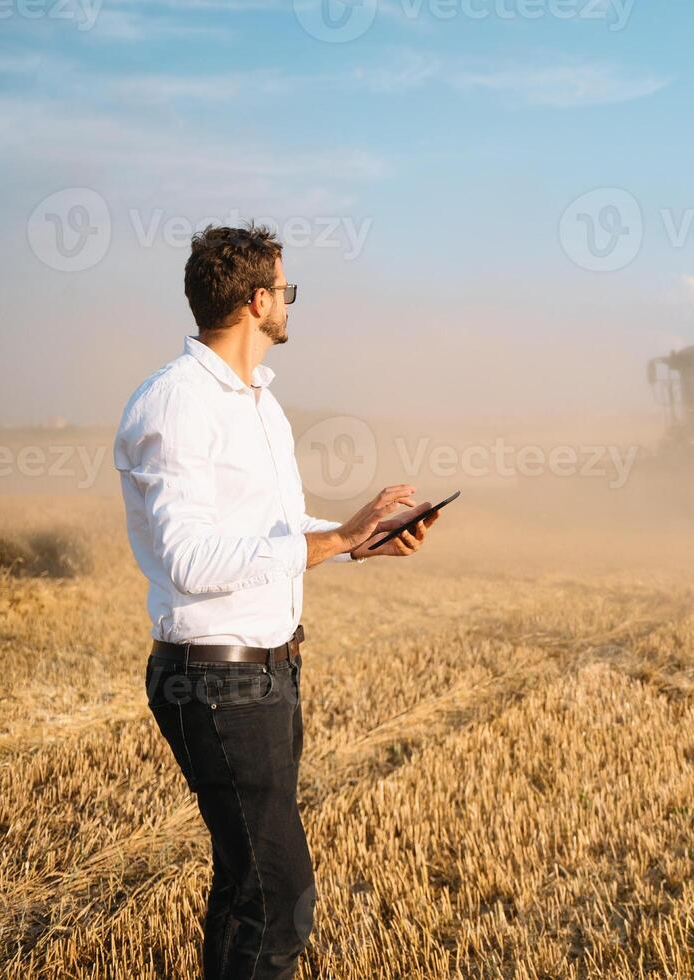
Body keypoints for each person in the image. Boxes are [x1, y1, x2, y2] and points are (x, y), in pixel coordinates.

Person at [113, 223, 438, 979]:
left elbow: (277, 536)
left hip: (269, 672)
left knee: (247, 885)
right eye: (285, 291)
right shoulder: (176, 404)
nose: (289, 304)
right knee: (282, 896)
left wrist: (365, 537)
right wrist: (337, 538)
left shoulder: (260, 403)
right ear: (259, 301)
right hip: (216, 681)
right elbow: (192, 563)